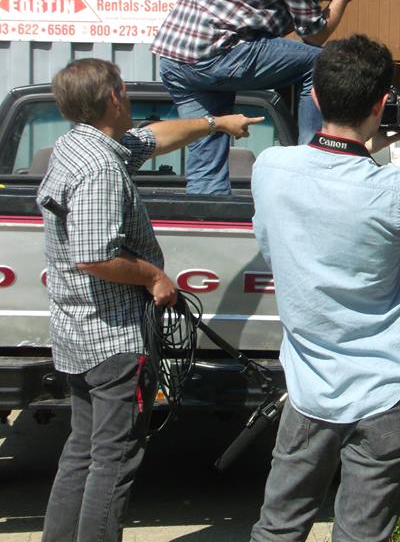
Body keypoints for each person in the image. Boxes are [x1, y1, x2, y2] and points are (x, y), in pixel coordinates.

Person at [249, 35, 400, 542]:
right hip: (385, 391)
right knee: (361, 535)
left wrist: (374, 135)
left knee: (278, 527)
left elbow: (330, 164)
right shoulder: (394, 191)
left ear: (317, 98)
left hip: (309, 390)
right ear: (380, 103)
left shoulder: (271, 169)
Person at [37, 58, 262, 542]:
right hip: (112, 341)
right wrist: (155, 276)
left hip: (78, 337)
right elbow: (95, 255)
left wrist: (215, 124)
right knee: (114, 459)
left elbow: (156, 136)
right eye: (125, 91)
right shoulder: (100, 168)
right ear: (115, 97)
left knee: (82, 450)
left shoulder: (78, 146)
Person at [152, 0, 370, 195]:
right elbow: (314, 35)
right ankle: (313, 157)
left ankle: (208, 219)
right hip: (216, 55)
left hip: (175, 60)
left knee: (209, 150)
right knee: (320, 61)